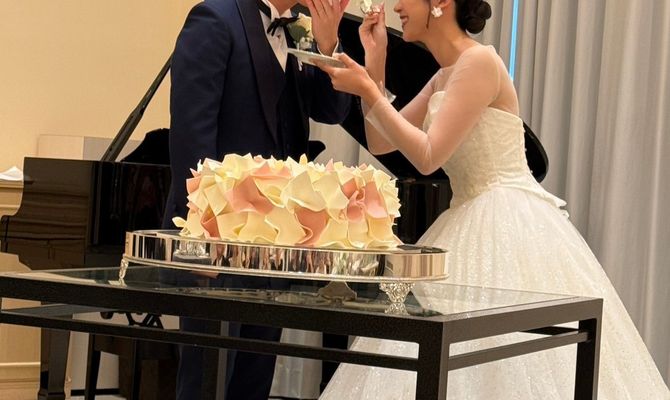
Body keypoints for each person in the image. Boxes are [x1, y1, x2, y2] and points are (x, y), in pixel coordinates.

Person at [316, 0, 670, 398]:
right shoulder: (444, 74)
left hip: (509, 217)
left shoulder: (480, 61)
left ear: (441, 3)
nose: (397, 6)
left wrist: (368, 89)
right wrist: (376, 62)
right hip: (467, 212)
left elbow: (429, 157)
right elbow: (381, 141)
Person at [161, 0, 351, 399]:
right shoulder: (214, 19)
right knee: (206, 382)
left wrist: (327, 44)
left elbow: (333, 110)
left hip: (275, 246)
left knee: (254, 381)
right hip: (218, 244)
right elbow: (192, 142)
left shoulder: (299, 30)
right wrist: (204, 242)